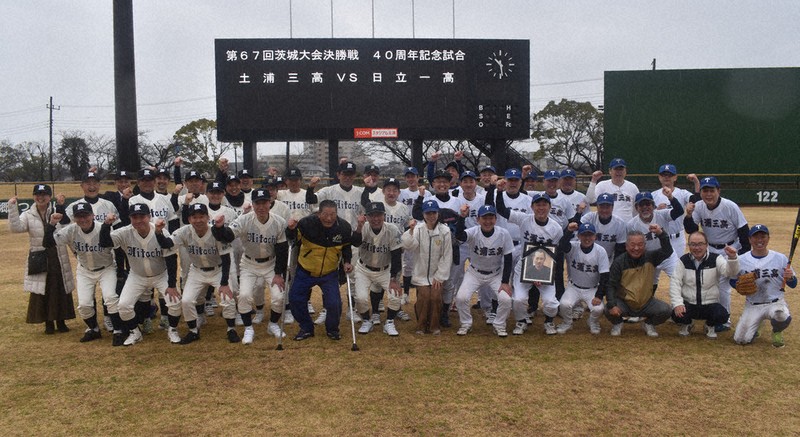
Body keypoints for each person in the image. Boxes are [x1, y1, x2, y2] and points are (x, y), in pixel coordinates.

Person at [214, 189, 289, 345]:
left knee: (279, 297)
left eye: (264, 203)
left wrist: (278, 274)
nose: (261, 207)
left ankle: (273, 324)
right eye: (257, 203)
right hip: (249, 263)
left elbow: (282, 250)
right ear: (253, 204)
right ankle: (249, 328)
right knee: (244, 295)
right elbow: (228, 236)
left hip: (270, 263)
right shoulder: (244, 220)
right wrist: (220, 228)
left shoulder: (279, 222)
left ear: (270, 203)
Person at [155, 203, 237, 344]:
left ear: (208, 217)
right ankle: (193, 331)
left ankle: (231, 329)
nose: (198, 220)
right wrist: (158, 232)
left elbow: (226, 258)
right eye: (194, 217)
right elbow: (167, 244)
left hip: (218, 269)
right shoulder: (184, 231)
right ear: (189, 219)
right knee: (186, 300)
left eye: (201, 216)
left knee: (227, 297)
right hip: (197, 270)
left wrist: (224, 283)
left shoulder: (216, 232)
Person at [99, 204, 180, 346]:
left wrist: (172, 285)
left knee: (175, 303)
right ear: (130, 218)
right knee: (123, 306)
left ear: (149, 217)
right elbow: (105, 242)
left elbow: (171, 259)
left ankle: (172, 330)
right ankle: (134, 332)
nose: (138, 220)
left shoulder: (161, 232)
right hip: (137, 276)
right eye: (134, 217)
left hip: (160, 274)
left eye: (142, 216)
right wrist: (106, 224)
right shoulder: (125, 232)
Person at [683, 176, 750, 331]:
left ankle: (725, 321)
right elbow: (691, 230)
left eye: (712, 190)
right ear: (701, 193)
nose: (708, 194)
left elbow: (744, 232)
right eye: (705, 191)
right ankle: (715, 315)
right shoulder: (699, 206)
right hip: (711, 250)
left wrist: (741, 257)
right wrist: (688, 215)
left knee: (723, 286)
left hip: (731, 247)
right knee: (711, 284)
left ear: (718, 191)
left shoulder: (730, 206)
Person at [45, 202, 119, 343]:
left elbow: (118, 248)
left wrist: (120, 271)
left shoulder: (102, 228)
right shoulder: (71, 230)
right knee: (84, 305)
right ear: (74, 218)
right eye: (79, 216)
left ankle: (118, 330)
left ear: (93, 215)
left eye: (86, 215)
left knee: (110, 298)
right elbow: (48, 243)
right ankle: (93, 329)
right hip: (85, 269)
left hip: (106, 268)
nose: (83, 220)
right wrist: (51, 224)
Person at [495, 187, 563, 335]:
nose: (541, 208)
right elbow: (501, 209)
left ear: (550, 207)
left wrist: (541, 275)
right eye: (538, 204)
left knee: (551, 303)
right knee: (518, 299)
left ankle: (549, 321)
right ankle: (521, 321)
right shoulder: (524, 219)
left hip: (545, 267)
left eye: (544, 204)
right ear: (532, 207)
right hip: (524, 265)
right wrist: (499, 191)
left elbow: (554, 254)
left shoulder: (556, 228)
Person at [8, 185, 76, 334]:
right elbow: (16, 228)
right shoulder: (28, 214)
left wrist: (61, 206)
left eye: (44, 194)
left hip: (58, 254)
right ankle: (48, 323)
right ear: (33, 196)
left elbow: (67, 227)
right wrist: (12, 208)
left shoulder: (56, 211)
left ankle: (61, 321)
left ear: (49, 196)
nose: (41, 197)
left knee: (59, 288)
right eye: (38, 194)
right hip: (39, 255)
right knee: (43, 290)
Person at [286, 200, 354, 341]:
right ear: (318, 213)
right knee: (295, 299)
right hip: (305, 270)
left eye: (333, 214)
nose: (329, 218)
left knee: (334, 303)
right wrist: (291, 229)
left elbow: (346, 247)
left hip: (329, 273)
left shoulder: (344, 228)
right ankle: (306, 327)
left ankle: (332, 329)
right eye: (325, 214)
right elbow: (292, 239)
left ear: (337, 213)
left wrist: (347, 261)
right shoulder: (306, 224)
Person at [732, 225, 797, 348]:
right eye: (755, 237)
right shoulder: (741, 260)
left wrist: (790, 277)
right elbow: (732, 280)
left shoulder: (780, 258)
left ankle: (777, 331)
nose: (759, 240)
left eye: (763, 237)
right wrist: (738, 286)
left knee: (781, 315)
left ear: (768, 238)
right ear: (750, 240)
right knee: (740, 340)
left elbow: (793, 284)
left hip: (775, 302)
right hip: (753, 304)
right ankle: (757, 324)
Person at [453, 205, 513, 337]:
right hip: (475, 272)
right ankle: (466, 323)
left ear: (495, 219)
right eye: (484, 218)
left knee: (506, 299)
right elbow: (460, 236)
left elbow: (508, 258)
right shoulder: (474, 232)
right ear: (478, 219)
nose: (487, 221)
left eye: (491, 218)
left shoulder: (503, 233)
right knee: (461, 298)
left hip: (495, 273)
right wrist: (462, 217)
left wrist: (505, 282)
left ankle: (499, 324)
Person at [604, 226, 673, 337]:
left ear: (645, 246)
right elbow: (611, 285)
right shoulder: (619, 262)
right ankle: (618, 323)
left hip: (647, 303)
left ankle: (648, 324)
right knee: (608, 308)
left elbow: (667, 251)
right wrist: (612, 305)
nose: (636, 248)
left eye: (640, 244)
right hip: (625, 303)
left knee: (666, 310)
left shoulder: (651, 257)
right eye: (632, 244)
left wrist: (661, 234)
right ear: (626, 246)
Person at [669, 231, 738, 339]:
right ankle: (687, 324)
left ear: (706, 245)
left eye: (700, 244)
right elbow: (675, 282)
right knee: (675, 314)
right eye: (693, 244)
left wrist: (733, 258)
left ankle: (709, 326)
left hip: (709, 304)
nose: (697, 248)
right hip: (689, 304)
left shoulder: (716, 259)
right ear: (689, 245)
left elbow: (730, 273)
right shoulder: (683, 260)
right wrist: (678, 304)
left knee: (722, 315)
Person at [351, 202, 403, 336]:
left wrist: (393, 279)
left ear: (384, 216)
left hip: (385, 269)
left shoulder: (392, 229)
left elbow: (397, 256)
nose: (375, 219)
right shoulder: (363, 227)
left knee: (395, 295)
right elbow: (355, 243)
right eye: (371, 215)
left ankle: (390, 322)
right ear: (366, 217)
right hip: (364, 269)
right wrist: (359, 227)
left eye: (378, 215)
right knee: (361, 298)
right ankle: (367, 321)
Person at [402, 200, 453, 335]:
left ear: (438, 213)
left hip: (437, 274)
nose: (431, 216)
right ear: (423, 214)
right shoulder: (418, 229)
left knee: (436, 297)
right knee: (424, 297)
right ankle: (421, 326)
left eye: (434, 213)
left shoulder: (445, 230)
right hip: (421, 273)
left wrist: (440, 276)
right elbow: (409, 246)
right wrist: (410, 231)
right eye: (428, 213)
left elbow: (446, 255)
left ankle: (434, 326)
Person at [556, 223, 609, 335]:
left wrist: (599, 295)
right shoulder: (573, 246)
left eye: (590, 235)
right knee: (564, 304)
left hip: (592, 288)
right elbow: (561, 246)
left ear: (595, 236)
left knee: (598, 309)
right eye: (584, 235)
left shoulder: (600, 251)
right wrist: (569, 231)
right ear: (579, 236)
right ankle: (567, 322)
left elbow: (605, 276)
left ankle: (592, 321)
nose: (587, 238)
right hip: (574, 286)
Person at [650, 164, 700, 256]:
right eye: (664, 175)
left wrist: (696, 182)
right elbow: (648, 216)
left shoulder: (682, 193)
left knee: (678, 268)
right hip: (659, 237)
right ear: (659, 177)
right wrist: (656, 209)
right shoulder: (653, 195)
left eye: (670, 175)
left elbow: (696, 199)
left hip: (677, 238)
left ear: (675, 177)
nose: (666, 177)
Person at [580, 193, 627, 264]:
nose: (604, 210)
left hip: (609, 260)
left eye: (607, 207)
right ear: (597, 207)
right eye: (601, 207)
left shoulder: (620, 224)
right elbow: (576, 228)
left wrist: (614, 268)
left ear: (612, 207)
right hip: (587, 258)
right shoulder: (589, 218)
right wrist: (579, 213)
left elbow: (620, 250)